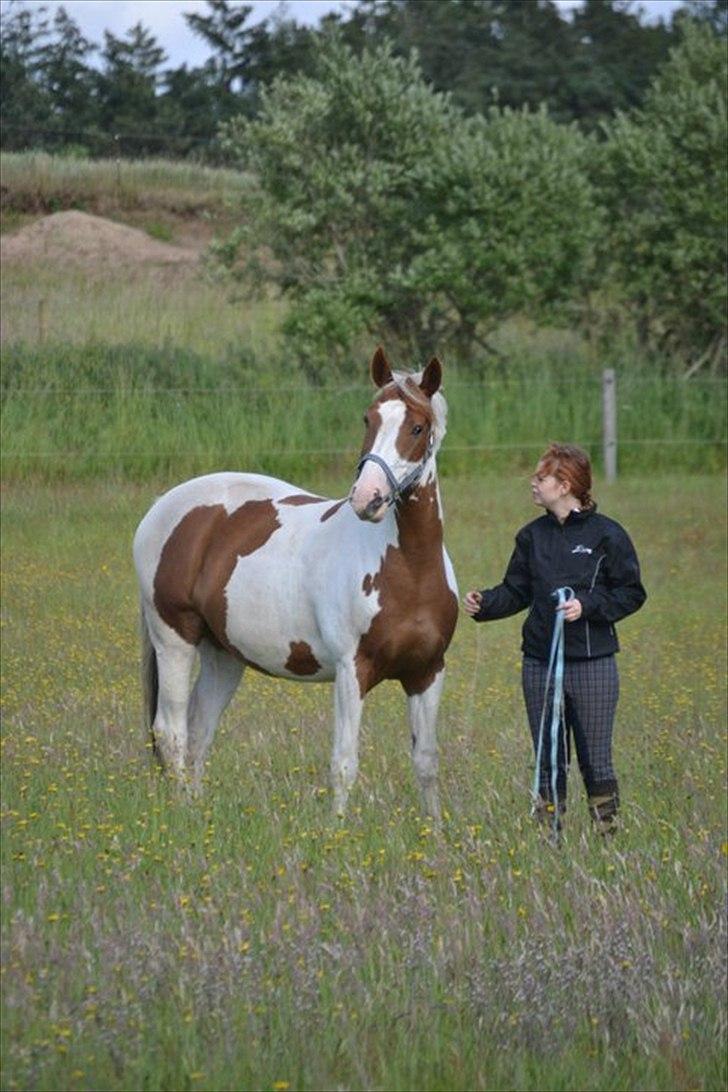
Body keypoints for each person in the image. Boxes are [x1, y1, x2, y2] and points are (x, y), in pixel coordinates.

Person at [463, 443, 646, 835]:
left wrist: (588, 606)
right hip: (539, 664)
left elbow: (632, 593)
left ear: (564, 485)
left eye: (540, 478)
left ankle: (607, 838)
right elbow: (517, 590)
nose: (532, 483)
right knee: (548, 756)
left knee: (596, 758)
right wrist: (485, 603)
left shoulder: (608, 536)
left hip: (593, 665)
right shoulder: (531, 537)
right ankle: (549, 838)